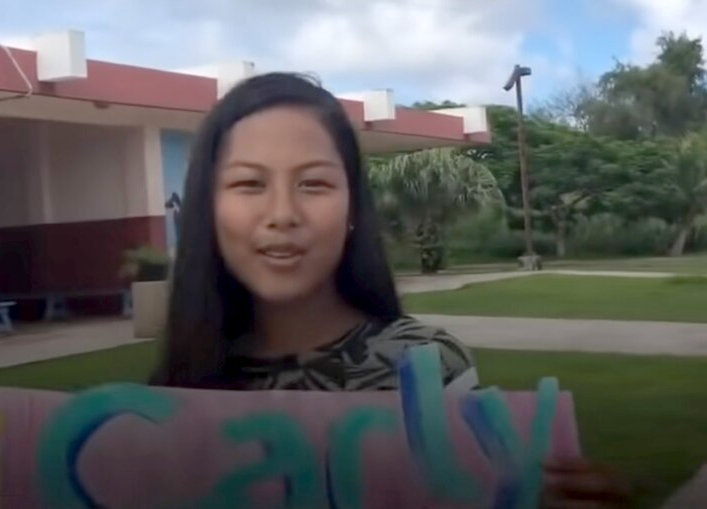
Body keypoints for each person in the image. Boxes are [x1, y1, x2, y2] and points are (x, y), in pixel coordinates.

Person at [148, 72, 633, 506]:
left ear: (353, 208)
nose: (282, 214)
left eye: (313, 184)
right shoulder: (166, 397)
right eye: (249, 184)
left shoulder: (430, 368)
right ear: (208, 210)